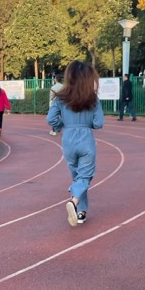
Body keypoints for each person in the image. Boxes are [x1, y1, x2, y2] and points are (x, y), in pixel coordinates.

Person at [46, 60, 104, 227]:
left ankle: (81, 212)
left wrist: (62, 125)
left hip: (68, 140)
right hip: (86, 139)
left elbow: (50, 119)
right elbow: (98, 123)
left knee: (77, 177)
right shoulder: (92, 99)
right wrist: (86, 124)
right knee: (85, 176)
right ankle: (74, 201)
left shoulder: (60, 98)